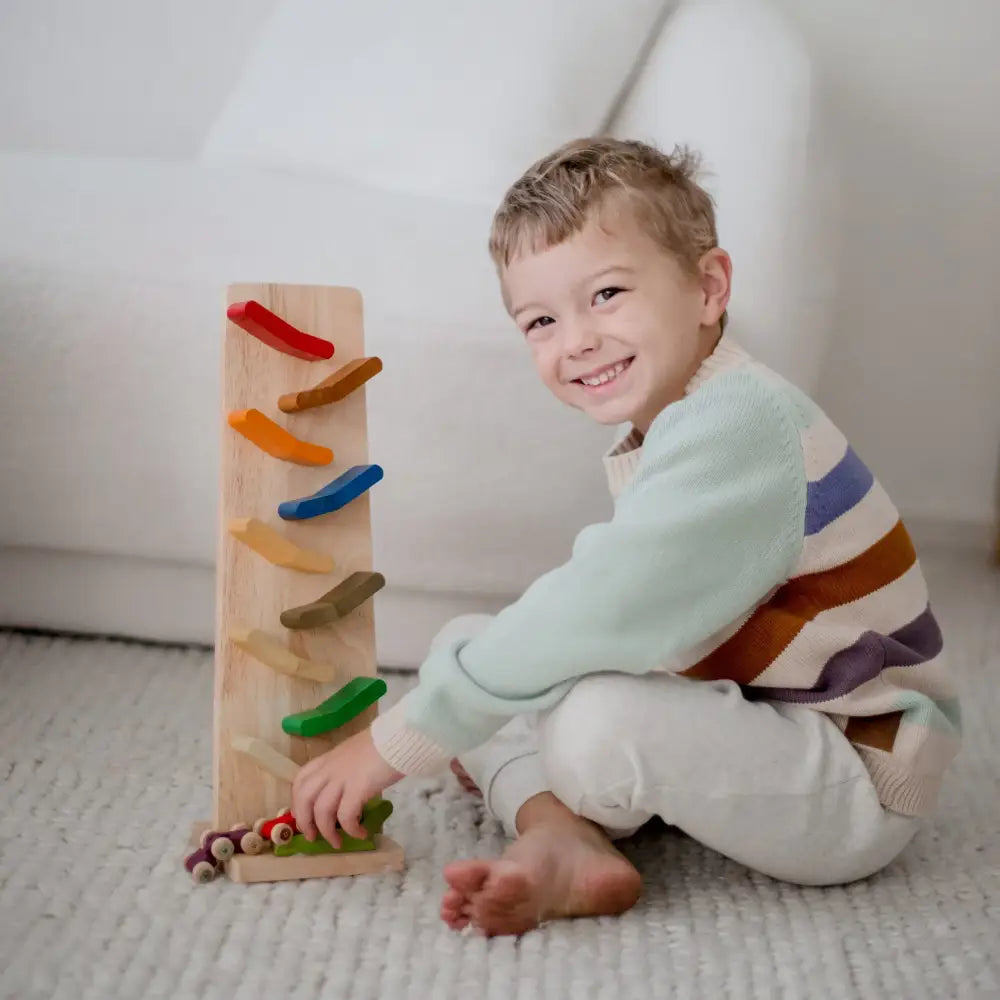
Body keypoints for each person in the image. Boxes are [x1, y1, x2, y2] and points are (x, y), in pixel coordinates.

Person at [290, 137, 962, 936]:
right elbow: (611, 626)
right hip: (748, 720)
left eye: (606, 294)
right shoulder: (684, 420)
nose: (574, 339)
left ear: (708, 288)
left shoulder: (743, 424)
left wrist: (394, 747)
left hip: (852, 777)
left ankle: (560, 810)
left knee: (582, 718)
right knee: (472, 644)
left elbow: (599, 609)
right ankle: (563, 836)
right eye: (541, 319)